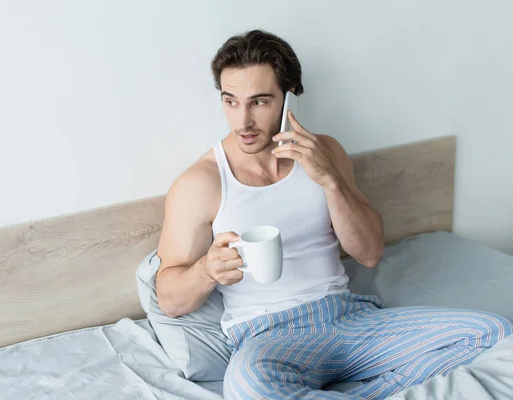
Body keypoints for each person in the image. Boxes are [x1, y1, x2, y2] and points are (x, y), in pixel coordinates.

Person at [154, 29, 513, 399]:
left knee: (493, 331)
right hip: (269, 337)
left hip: (350, 318)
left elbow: (370, 253)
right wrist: (205, 271)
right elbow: (169, 298)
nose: (242, 121)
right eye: (231, 102)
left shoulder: (326, 152)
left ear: (289, 97)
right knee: (248, 388)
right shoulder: (202, 182)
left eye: (259, 102)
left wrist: (329, 180)